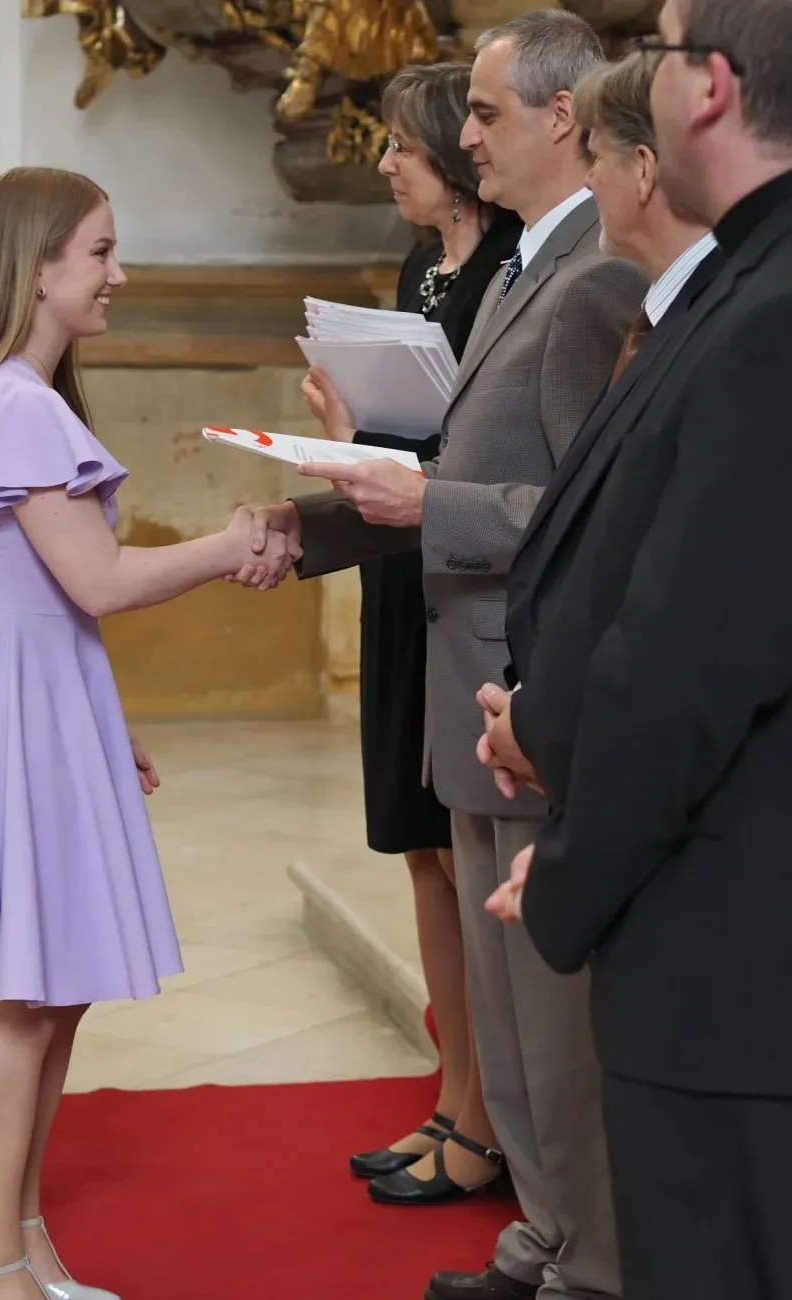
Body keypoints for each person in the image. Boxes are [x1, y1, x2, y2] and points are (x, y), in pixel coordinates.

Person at [241, 12, 647, 1298]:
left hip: (523, 685)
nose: (464, 136)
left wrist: (427, 501)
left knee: (553, 1023)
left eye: (483, 112)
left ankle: (590, 1263)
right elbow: (458, 464)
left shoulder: (594, 276)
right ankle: (541, 1236)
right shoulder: (528, 261)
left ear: (562, 118)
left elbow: (588, 513)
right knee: (505, 1016)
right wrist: (314, 520)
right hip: (464, 683)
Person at [0, 167, 292, 1300]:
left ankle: (22, 1241)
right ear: (39, 265)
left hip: (32, 698)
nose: (119, 273)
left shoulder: (19, 395)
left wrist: (99, 721)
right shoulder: (15, 404)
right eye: (101, 252)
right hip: (8, 707)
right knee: (18, 1001)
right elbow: (97, 580)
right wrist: (230, 544)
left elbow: (45, 598)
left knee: (53, 991)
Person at [483, 1, 792, 1296]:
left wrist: (568, 872)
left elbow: (683, 665)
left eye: (656, 46)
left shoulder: (766, 317)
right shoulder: (739, 284)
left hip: (731, 968)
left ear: (707, 88)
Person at [308, 62, 521, 1203]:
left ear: (451, 152)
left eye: (400, 143)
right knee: (419, 846)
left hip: (465, 566)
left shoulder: (509, 266)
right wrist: (345, 435)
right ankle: (451, 1091)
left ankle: (487, 1114)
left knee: (462, 841)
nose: (386, 162)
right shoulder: (416, 267)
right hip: (402, 568)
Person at [477, 49, 722, 803]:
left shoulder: (718, 323)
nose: (587, 182)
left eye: (599, 158)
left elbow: (663, 570)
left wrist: (552, 720)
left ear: (643, 169)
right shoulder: (658, 310)